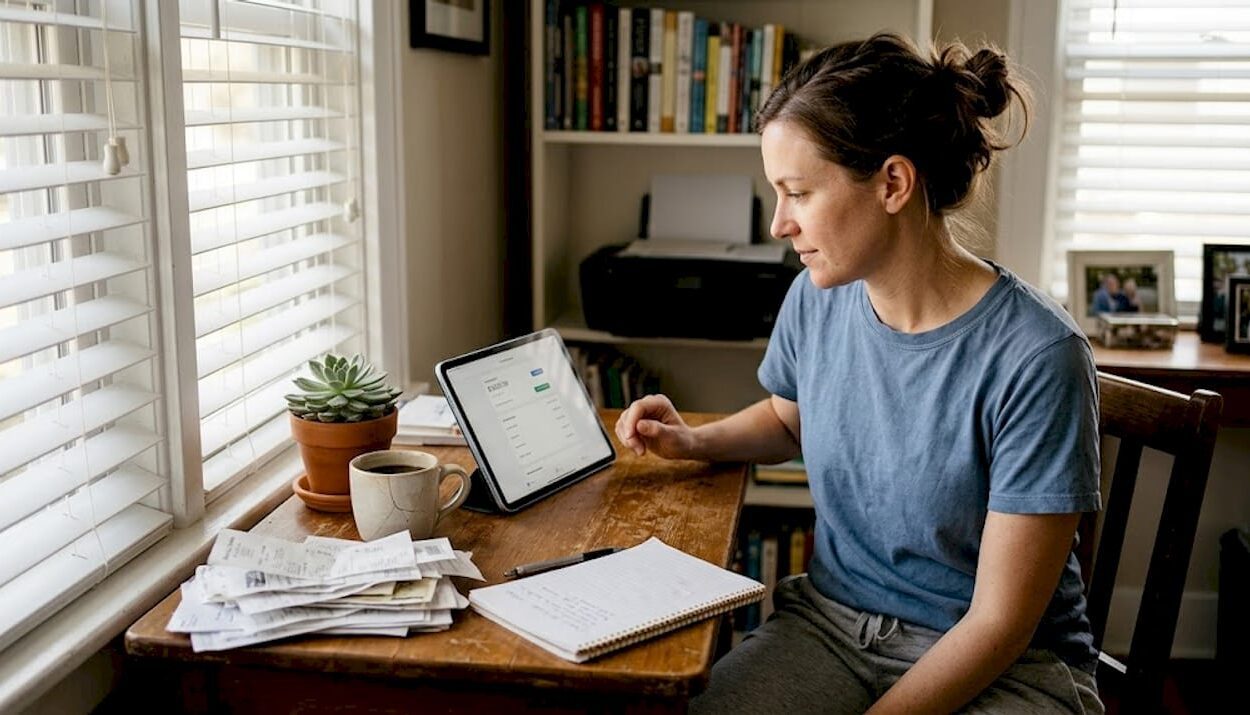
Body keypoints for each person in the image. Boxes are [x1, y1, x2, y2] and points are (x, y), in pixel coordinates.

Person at [616, 33, 1103, 714]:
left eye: (800, 193)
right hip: (832, 628)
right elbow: (790, 417)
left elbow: (1000, 623)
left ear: (893, 183)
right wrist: (696, 441)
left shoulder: (1037, 356)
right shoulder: (817, 297)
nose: (781, 222)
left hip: (1003, 664)